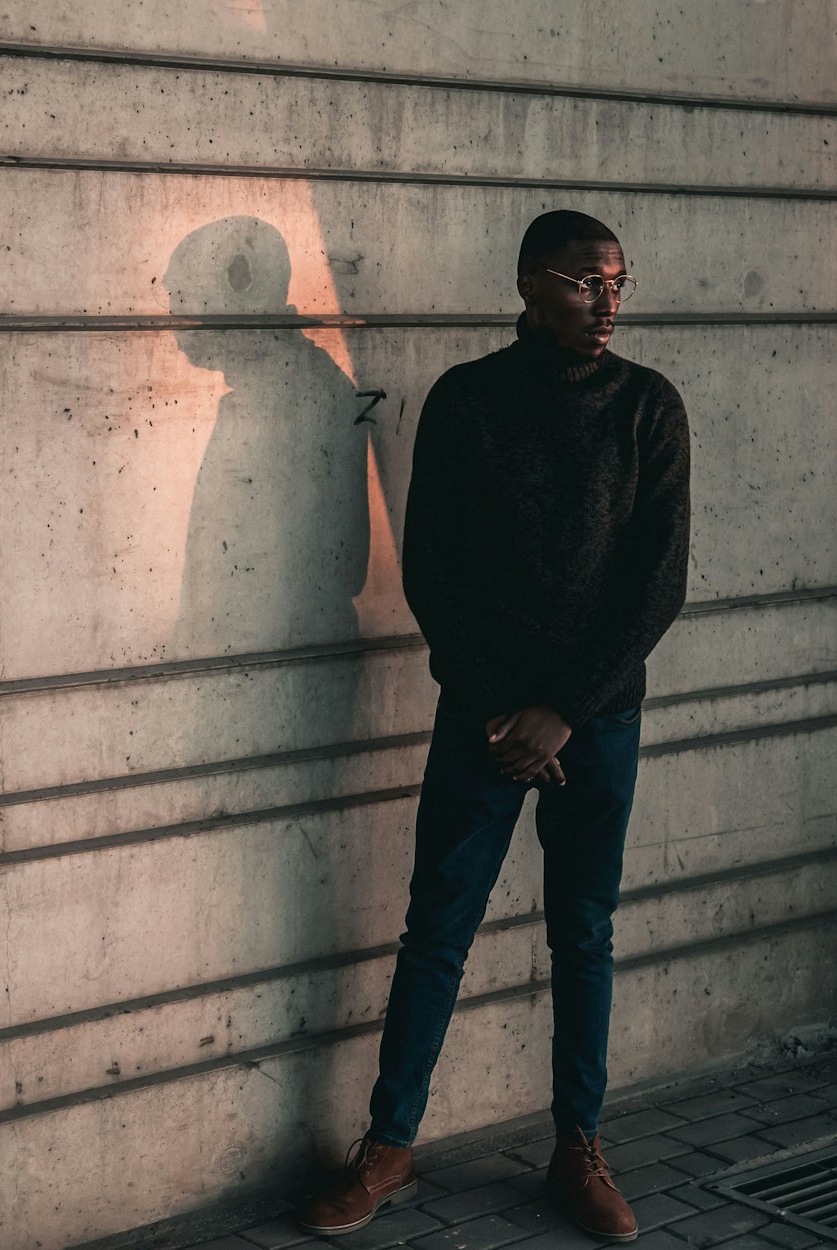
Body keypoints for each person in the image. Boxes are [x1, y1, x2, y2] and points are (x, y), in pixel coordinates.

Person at [299, 211, 691, 1242]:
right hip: (482, 721)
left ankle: (579, 1145)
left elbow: (657, 580)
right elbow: (429, 566)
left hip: (596, 721)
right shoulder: (469, 399)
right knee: (437, 930)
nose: (606, 302)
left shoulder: (647, 405)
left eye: (618, 282)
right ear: (528, 284)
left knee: (583, 931)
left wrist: (563, 711)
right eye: (583, 281)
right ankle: (387, 1144)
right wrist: (497, 710)